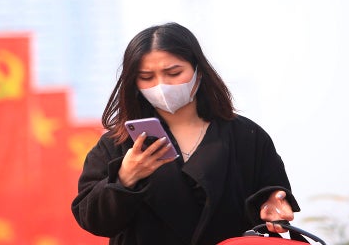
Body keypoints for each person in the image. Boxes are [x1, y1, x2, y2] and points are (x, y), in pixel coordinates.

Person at [71, 22, 300, 244]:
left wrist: (272, 203)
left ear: (198, 71)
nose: (161, 85)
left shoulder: (246, 136)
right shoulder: (117, 144)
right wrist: (124, 179)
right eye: (147, 77)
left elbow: (271, 192)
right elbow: (92, 219)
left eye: (173, 72)